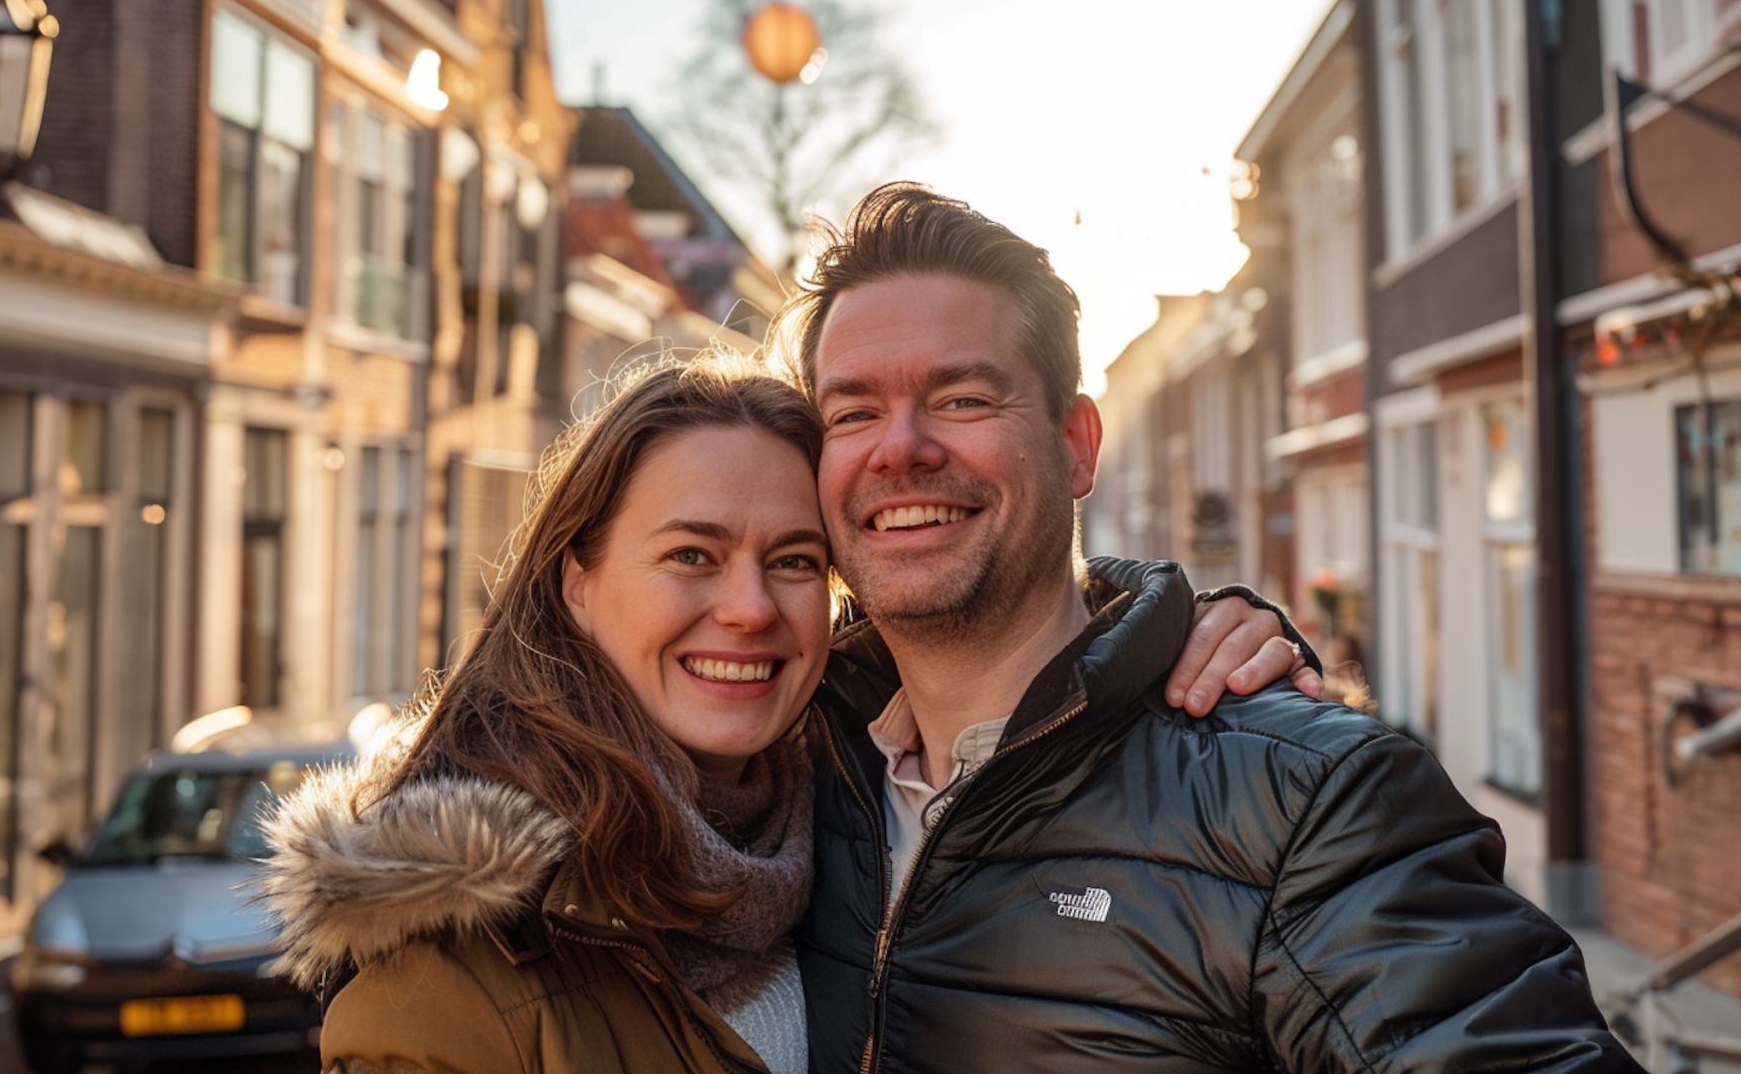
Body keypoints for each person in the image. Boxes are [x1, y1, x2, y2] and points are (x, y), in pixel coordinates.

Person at [785, 183, 1639, 1074]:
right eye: (853, 413)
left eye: (961, 399)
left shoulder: (1305, 805)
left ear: (1077, 444)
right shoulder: (783, 773)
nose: (901, 448)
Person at [259, 355, 1308, 1074]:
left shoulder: (861, 820)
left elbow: (1008, 643)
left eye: (795, 562)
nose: (751, 609)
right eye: (690, 556)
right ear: (576, 581)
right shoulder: (445, 984)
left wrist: (1179, 634)